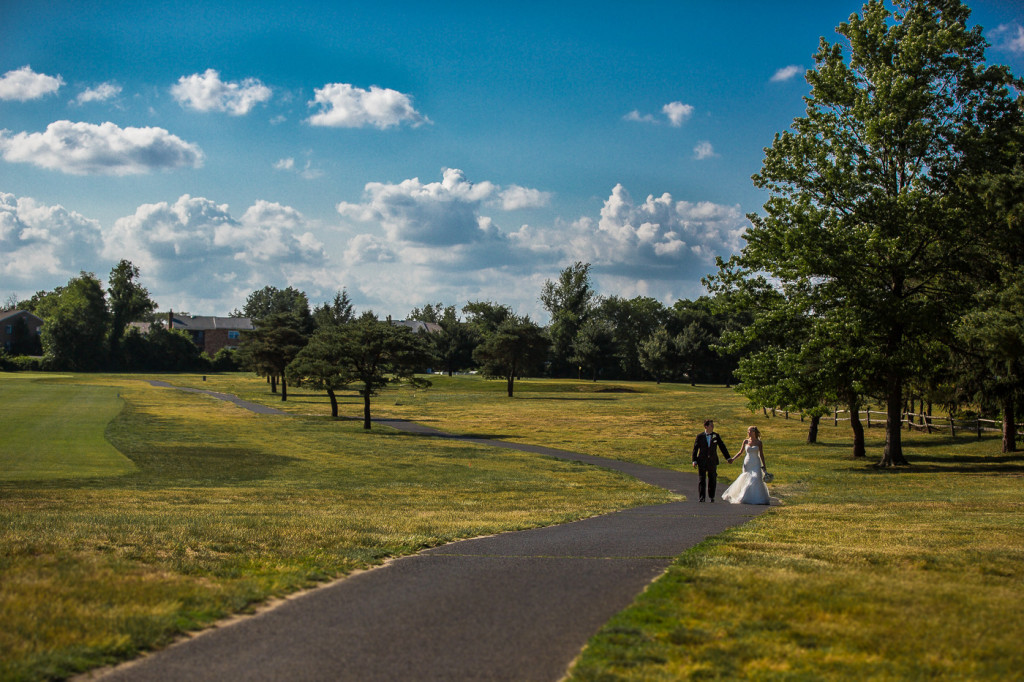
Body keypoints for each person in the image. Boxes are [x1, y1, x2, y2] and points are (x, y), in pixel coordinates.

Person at [721, 425, 771, 505]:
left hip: (756, 463)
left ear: (754, 432)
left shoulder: (759, 443)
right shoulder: (746, 441)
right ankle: (745, 496)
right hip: (747, 462)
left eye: (750, 431)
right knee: (747, 478)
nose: (748, 433)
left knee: (755, 478)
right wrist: (733, 459)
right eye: (748, 431)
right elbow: (740, 452)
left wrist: (764, 466)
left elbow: (761, 455)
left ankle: (757, 497)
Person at [691, 419, 729, 503]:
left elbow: (722, 447)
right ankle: (702, 497)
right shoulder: (700, 436)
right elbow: (695, 449)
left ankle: (712, 496)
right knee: (702, 479)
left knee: (712, 479)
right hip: (702, 461)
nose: (713, 427)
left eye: (713, 425)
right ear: (706, 426)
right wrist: (694, 460)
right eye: (711, 425)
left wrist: (728, 458)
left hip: (712, 461)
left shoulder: (716, 436)